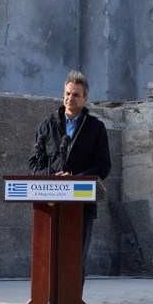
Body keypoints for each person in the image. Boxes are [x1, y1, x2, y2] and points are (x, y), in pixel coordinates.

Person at [27, 70, 111, 289]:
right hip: (49, 206)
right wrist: (53, 177)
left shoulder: (96, 128)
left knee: (74, 261)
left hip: (81, 206)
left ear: (85, 99)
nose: (69, 98)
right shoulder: (47, 126)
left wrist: (75, 179)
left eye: (75, 95)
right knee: (49, 259)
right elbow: (34, 164)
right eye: (67, 93)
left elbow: (103, 167)